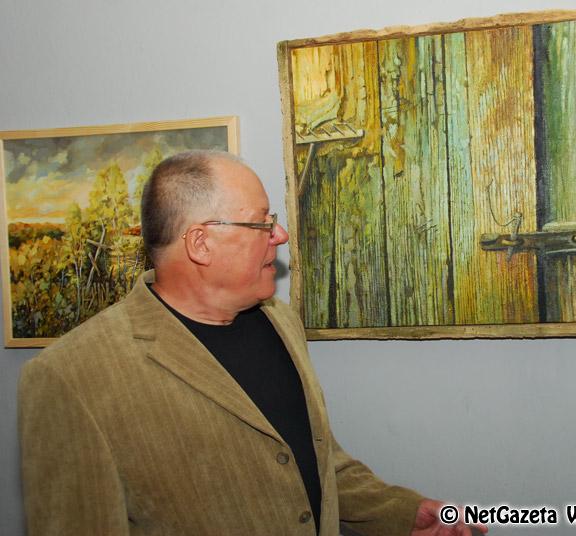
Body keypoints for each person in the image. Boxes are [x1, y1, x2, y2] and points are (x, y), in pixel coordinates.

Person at [18, 150, 486, 536]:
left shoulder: (281, 323)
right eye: (262, 223)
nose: (280, 235)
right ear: (201, 243)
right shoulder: (71, 378)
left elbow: (314, 464)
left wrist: (402, 513)